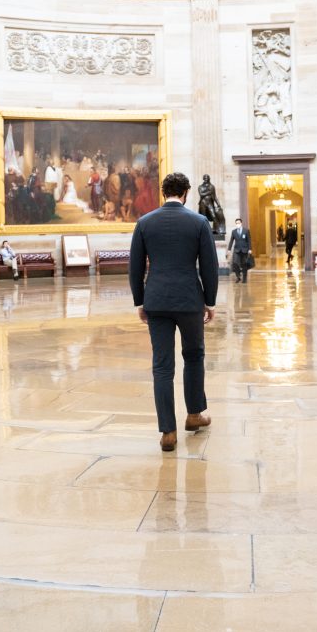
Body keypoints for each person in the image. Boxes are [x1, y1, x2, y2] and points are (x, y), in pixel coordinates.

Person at [129, 172, 218, 452]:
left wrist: (140, 302)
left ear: (162, 191)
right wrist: (210, 301)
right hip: (190, 300)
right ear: (187, 193)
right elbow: (209, 266)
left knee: (162, 366)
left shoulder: (144, 223)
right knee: (193, 356)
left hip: (156, 300)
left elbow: (134, 267)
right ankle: (194, 415)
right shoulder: (199, 222)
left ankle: (168, 431)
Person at [227, 217, 251, 283]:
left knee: (244, 264)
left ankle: (244, 278)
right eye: (236, 223)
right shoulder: (234, 231)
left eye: (239, 223)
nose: (238, 224)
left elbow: (249, 240)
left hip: (244, 250)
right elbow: (231, 241)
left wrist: (250, 249)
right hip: (236, 250)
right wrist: (229, 249)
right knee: (235, 263)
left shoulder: (246, 231)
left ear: (241, 223)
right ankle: (238, 276)